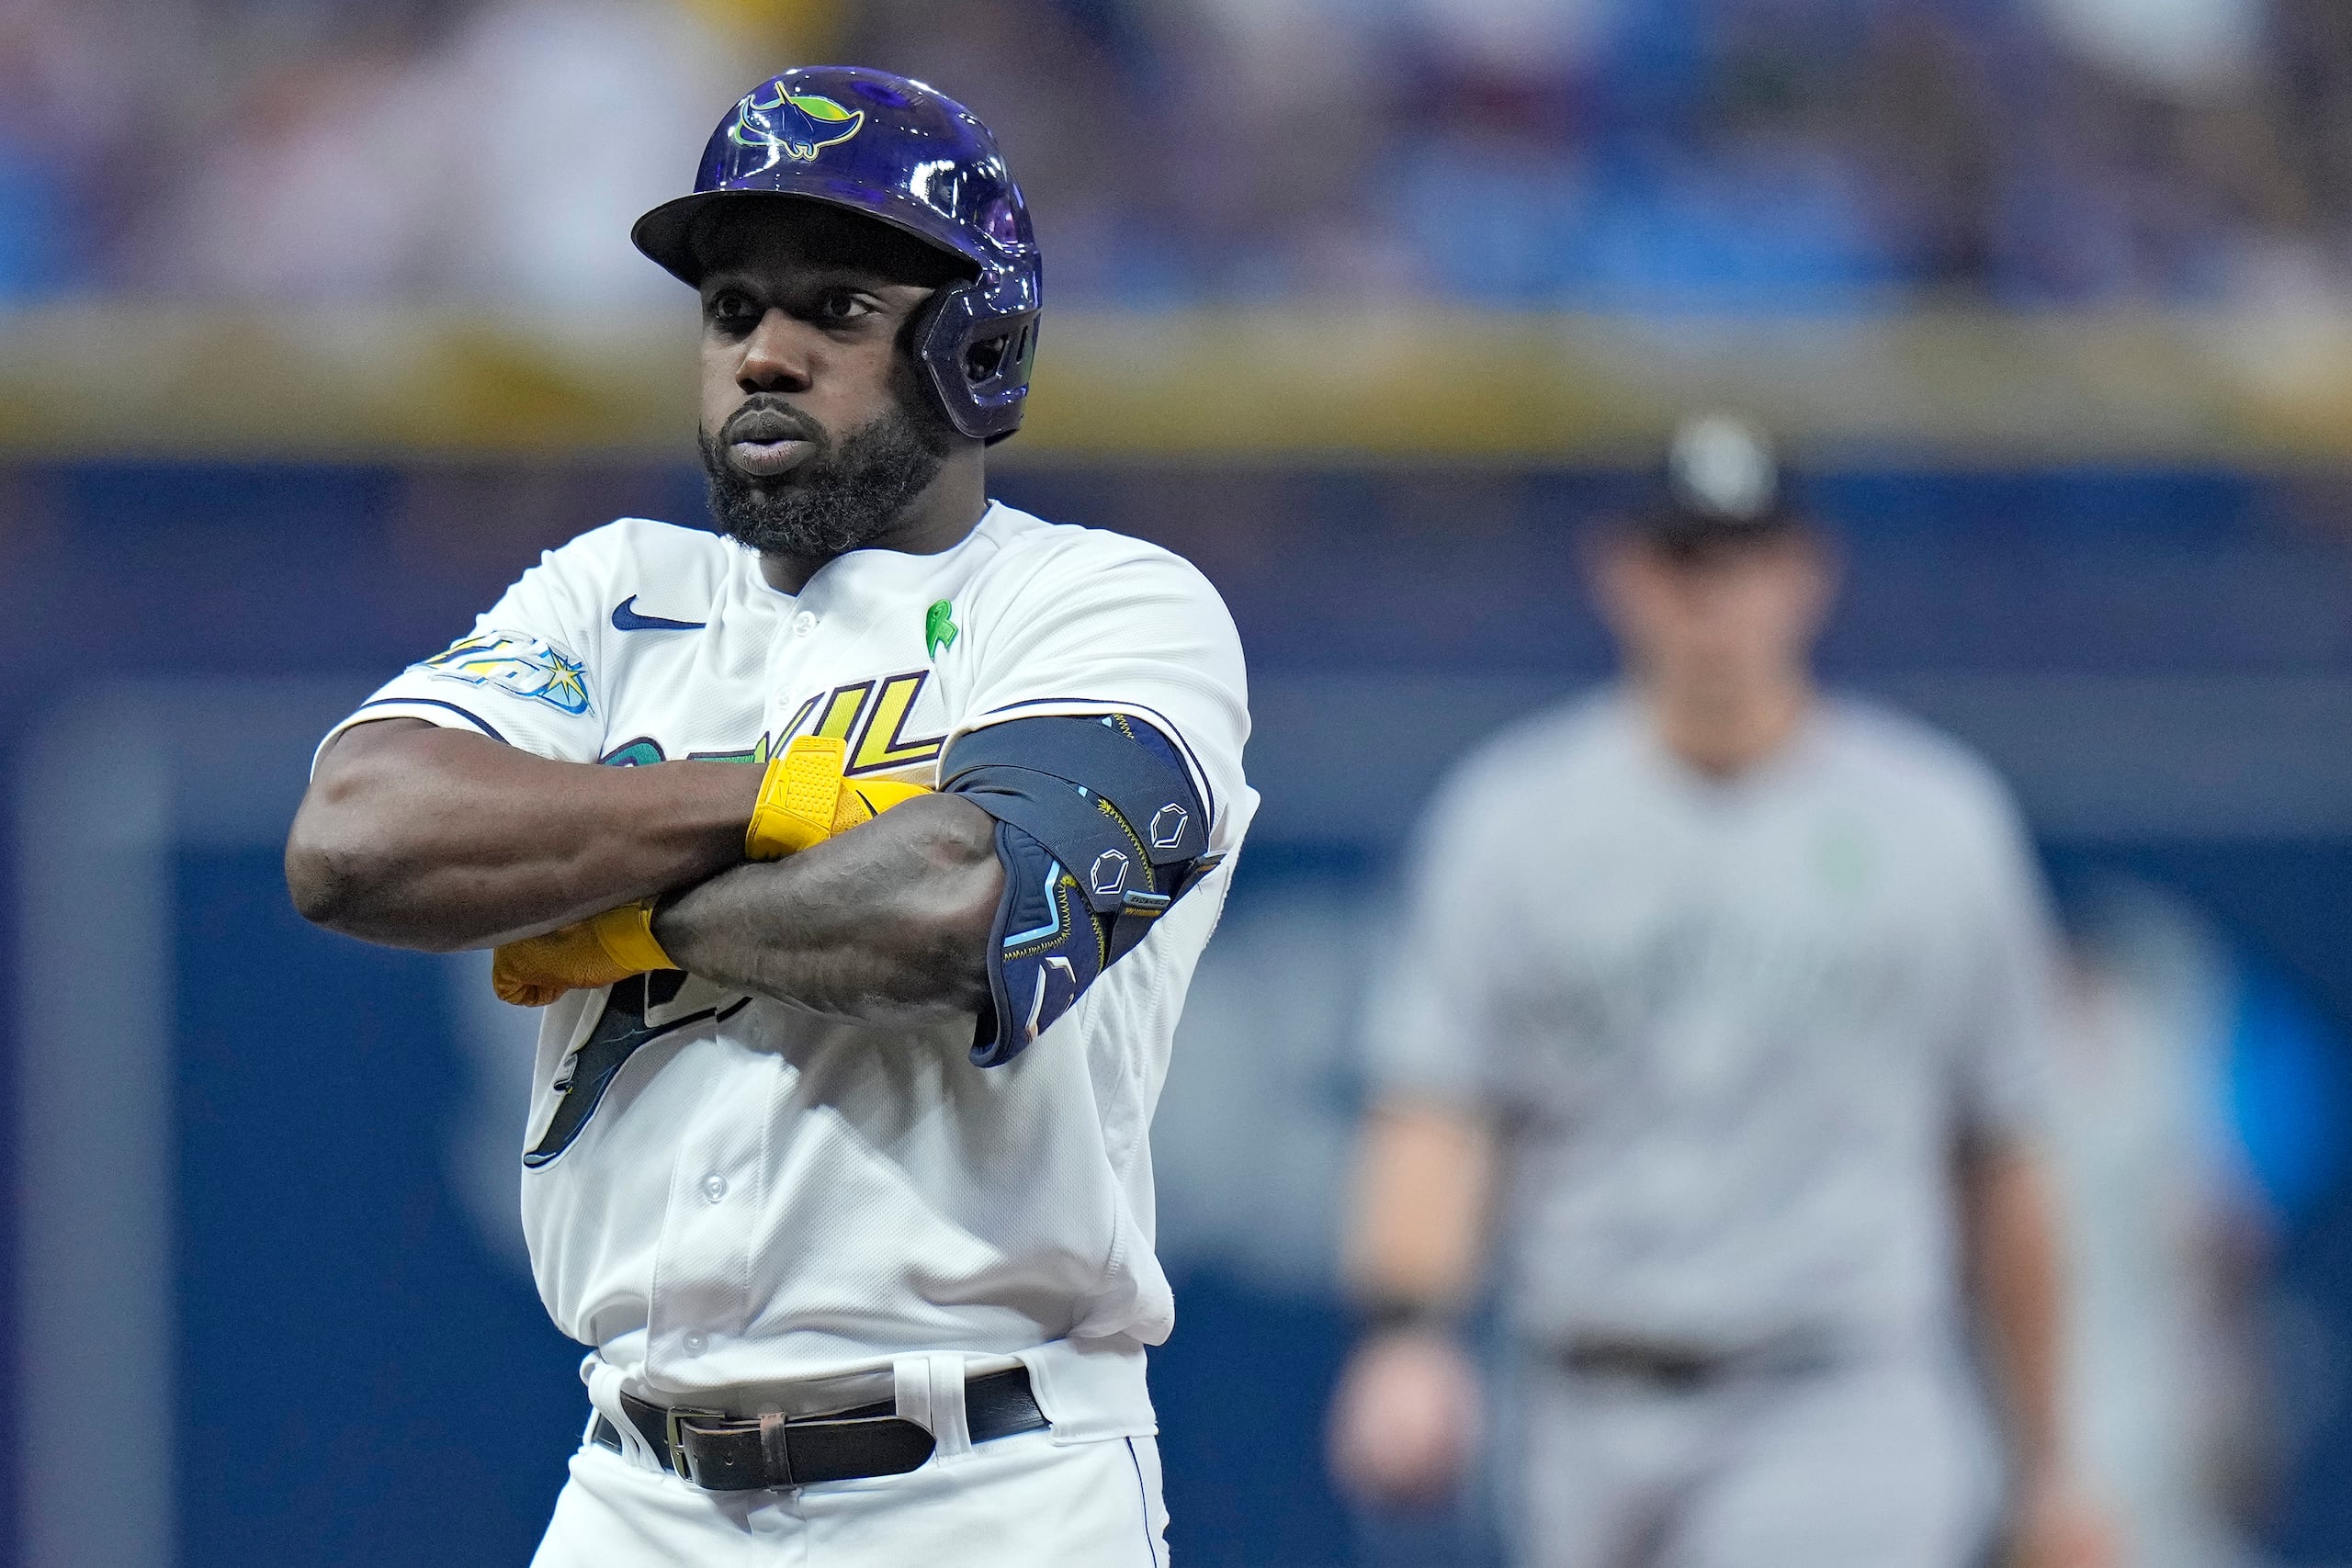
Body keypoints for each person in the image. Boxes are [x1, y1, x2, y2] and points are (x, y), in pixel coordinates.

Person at [285, 67, 1251, 1566]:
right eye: (733, 309)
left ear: (975, 341)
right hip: (633, 1482)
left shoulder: (1103, 605)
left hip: (990, 1482)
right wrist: (777, 798)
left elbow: (943, 917)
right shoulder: (613, 590)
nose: (765, 354)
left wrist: (598, 906)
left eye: (838, 310)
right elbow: (352, 841)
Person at [1325, 415, 2112, 1568]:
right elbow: (1438, 1100)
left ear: (1809, 574)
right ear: (1621, 574)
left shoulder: (1937, 824)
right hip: (1580, 1401)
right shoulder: (1514, 817)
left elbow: (2003, 1161)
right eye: (1686, 558)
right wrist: (1405, 1333)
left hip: (1839, 1394)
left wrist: (2049, 1468)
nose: (1718, 595)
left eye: (1749, 557)